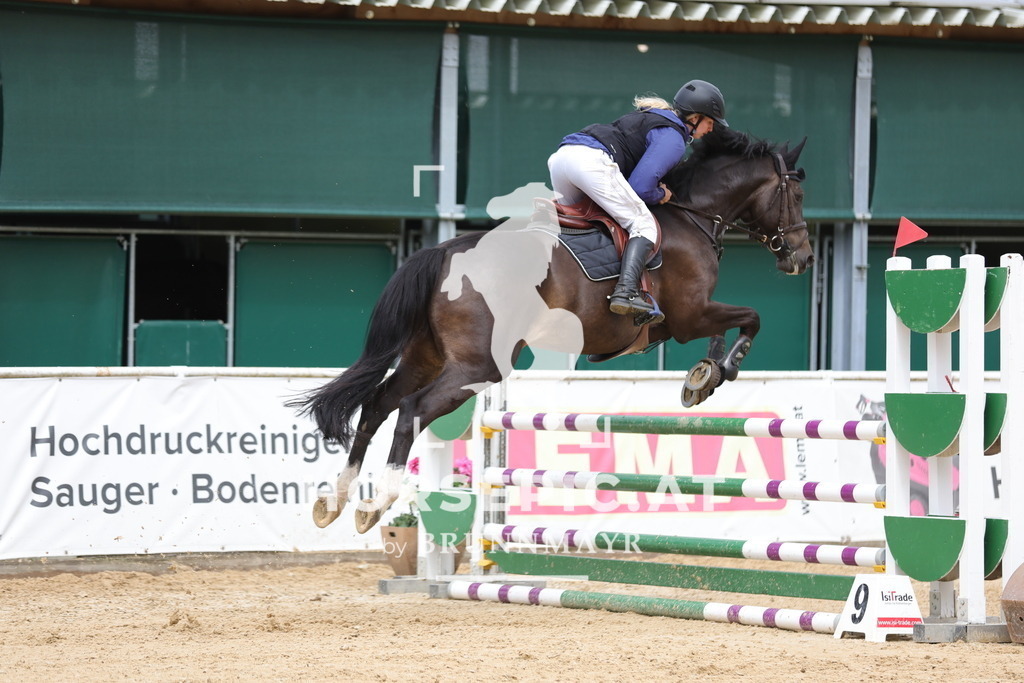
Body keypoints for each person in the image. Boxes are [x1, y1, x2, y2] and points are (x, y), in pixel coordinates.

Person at [547, 79, 728, 323]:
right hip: (590, 164)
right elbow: (640, 188)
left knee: (587, 223)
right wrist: (661, 195)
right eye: (710, 122)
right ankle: (626, 292)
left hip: (562, 159)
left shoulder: (654, 117)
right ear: (694, 117)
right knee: (643, 224)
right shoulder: (673, 138)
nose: (711, 129)